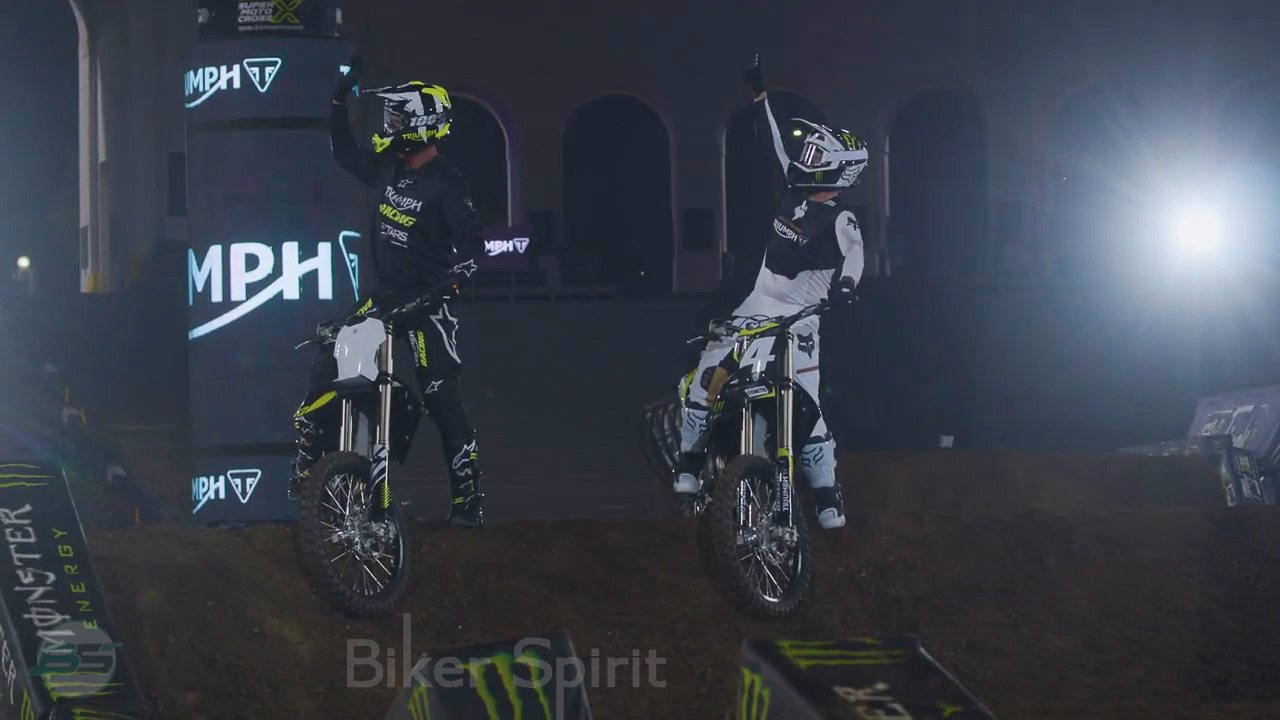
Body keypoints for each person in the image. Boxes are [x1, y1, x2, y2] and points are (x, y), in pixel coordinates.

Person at [673, 56, 868, 530]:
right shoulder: (792, 189)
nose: (805, 161)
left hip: (801, 318)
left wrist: (845, 288)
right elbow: (772, 143)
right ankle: (690, 463)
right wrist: (759, 95)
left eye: (817, 158)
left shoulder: (840, 217)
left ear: (839, 172)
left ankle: (826, 493)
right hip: (755, 306)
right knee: (707, 377)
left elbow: (856, 255)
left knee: (806, 404)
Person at [290, 58, 486, 528]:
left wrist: (449, 285)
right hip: (385, 295)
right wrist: (338, 100)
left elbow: (475, 249)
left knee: (440, 395)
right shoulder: (388, 168)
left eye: (397, 118)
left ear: (421, 124)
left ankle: (467, 501)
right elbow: (343, 150)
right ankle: (309, 463)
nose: (389, 126)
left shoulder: (447, 184)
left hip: (427, 301)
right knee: (329, 357)